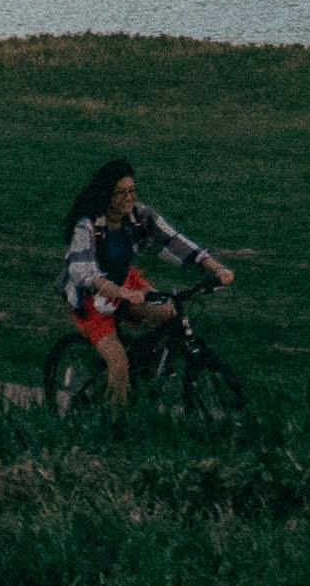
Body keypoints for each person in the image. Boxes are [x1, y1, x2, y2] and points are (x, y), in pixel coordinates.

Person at [56, 156, 226, 404]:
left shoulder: (140, 216)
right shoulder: (87, 226)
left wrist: (215, 267)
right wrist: (120, 293)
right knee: (119, 364)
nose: (129, 198)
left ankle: (144, 365)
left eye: (132, 191)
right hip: (92, 298)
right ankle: (114, 426)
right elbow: (84, 272)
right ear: (106, 196)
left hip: (125, 283)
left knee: (170, 314)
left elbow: (173, 241)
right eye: (121, 193)